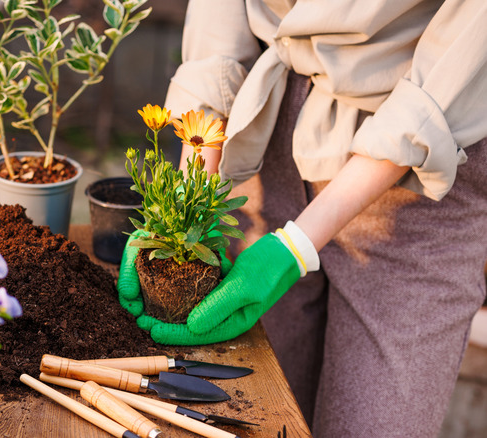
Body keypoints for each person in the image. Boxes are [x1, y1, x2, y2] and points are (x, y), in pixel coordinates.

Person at [116, 1, 487, 436]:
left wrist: (294, 248)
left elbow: (460, 57)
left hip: (416, 180)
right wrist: (186, 203)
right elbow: (220, 21)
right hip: (268, 134)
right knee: (258, 416)